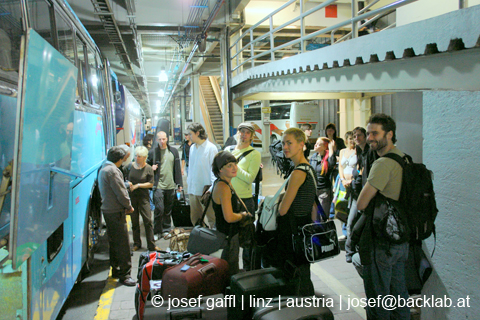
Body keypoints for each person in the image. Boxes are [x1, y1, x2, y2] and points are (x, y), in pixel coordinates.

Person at [356, 113, 409, 319]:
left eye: (375, 133)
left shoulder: (383, 164)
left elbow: (361, 202)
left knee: (378, 300)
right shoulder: (404, 157)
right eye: (368, 133)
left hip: (383, 240)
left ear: (390, 134)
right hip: (400, 240)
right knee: (399, 296)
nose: (370, 138)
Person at [269, 127, 317, 296]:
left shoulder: (297, 172)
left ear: (301, 145)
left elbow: (283, 210)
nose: (285, 147)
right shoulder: (309, 168)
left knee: (292, 274)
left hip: (291, 231)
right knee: (303, 273)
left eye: (289, 143)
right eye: (283, 143)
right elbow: (312, 205)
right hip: (303, 228)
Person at [98, 146, 135, 286]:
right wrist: (128, 206)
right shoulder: (113, 171)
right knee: (123, 243)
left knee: (114, 242)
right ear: (119, 160)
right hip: (115, 211)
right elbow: (121, 193)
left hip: (107, 210)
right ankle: (125, 275)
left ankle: (116, 269)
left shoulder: (104, 168)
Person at [227, 122, 261, 271]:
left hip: (245, 200)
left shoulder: (254, 154)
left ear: (252, 136)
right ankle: (232, 269)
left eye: (248, 132)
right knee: (230, 238)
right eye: (242, 131)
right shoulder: (228, 150)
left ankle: (248, 271)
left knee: (247, 240)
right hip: (228, 198)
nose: (244, 135)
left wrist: (233, 166)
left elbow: (249, 178)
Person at [211, 151, 251, 275]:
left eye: (235, 164)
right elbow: (229, 217)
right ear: (220, 170)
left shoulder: (223, 183)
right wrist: (243, 216)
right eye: (229, 165)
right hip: (227, 236)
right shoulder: (223, 187)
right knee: (230, 271)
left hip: (225, 234)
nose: (234, 167)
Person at [147, 131, 183, 239]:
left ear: (167, 139)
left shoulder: (174, 151)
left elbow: (177, 168)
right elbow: (146, 167)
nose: (162, 141)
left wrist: (179, 183)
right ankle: (157, 231)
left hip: (170, 185)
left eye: (164, 139)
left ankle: (166, 229)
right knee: (159, 209)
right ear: (156, 140)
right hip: (158, 185)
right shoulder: (153, 152)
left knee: (168, 209)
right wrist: (150, 168)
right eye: (159, 139)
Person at [126, 146, 161, 252]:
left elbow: (151, 184)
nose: (137, 158)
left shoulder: (148, 168)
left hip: (143, 197)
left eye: (139, 156)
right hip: (132, 197)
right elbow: (123, 179)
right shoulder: (129, 167)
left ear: (145, 157)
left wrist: (138, 185)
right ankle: (137, 243)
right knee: (134, 221)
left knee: (147, 220)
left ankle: (151, 244)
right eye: (136, 156)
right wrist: (128, 184)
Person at [345, 126, 371, 263]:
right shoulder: (360, 152)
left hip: (364, 195)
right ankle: (351, 251)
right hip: (356, 194)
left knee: (354, 224)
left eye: (359, 135)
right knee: (351, 223)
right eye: (354, 136)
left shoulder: (369, 152)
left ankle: (351, 250)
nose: (356, 138)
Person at [186, 122, 218, 227]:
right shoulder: (192, 148)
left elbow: (214, 171)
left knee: (211, 218)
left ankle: (214, 240)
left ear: (198, 133)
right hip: (193, 190)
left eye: (191, 134)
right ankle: (200, 239)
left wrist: (211, 189)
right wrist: (189, 187)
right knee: (195, 219)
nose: (189, 136)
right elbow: (191, 168)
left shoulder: (211, 148)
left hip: (206, 190)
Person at [310, 137, 336, 215]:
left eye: (318, 144)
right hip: (314, 190)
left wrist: (331, 149)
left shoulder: (328, 158)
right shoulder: (314, 157)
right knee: (314, 216)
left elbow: (332, 164)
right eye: (315, 143)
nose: (315, 145)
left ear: (325, 147)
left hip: (324, 191)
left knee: (323, 216)